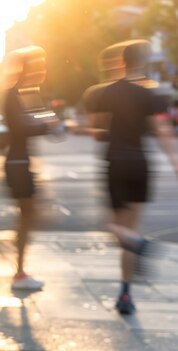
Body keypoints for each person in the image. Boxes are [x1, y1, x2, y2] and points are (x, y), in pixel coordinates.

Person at [91, 40, 178, 314]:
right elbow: (161, 130)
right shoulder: (148, 94)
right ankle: (126, 294)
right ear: (141, 62)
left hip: (116, 162)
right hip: (140, 164)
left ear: (121, 61)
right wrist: (174, 159)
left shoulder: (108, 92)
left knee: (118, 230)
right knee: (131, 228)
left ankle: (138, 245)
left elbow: (97, 129)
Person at [0, 46, 60, 290]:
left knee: (28, 216)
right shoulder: (14, 94)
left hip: (20, 162)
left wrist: (47, 123)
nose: (43, 71)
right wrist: (48, 126)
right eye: (39, 66)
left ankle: (19, 266)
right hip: (17, 163)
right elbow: (20, 127)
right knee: (28, 216)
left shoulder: (22, 92)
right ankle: (19, 272)